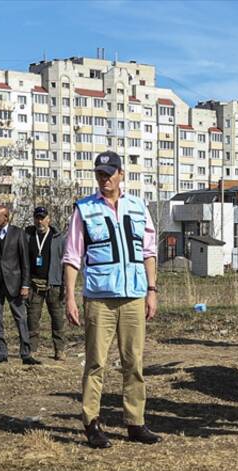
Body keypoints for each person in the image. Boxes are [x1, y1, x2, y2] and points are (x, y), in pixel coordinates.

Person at [63, 150, 161, 448]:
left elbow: (149, 251)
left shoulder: (137, 207)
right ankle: (92, 423)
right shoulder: (84, 209)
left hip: (133, 296)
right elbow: (72, 256)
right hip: (100, 298)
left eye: (109, 173)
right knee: (96, 363)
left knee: (134, 362)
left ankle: (135, 422)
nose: (104, 179)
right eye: (100, 174)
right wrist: (70, 296)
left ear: (121, 175)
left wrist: (152, 290)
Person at [0, 203, 36, 364]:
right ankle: (1, 354)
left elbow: (25, 262)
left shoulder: (18, 234)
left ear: (6, 217)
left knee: (21, 318)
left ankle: (26, 353)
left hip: (15, 284)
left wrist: (25, 285)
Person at [25, 206, 67, 360]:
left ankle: (59, 350)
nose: (39, 221)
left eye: (42, 218)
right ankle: (32, 349)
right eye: (37, 217)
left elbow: (65, 262)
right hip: (34, 285)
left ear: (49, 219)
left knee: (57, 319)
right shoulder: (28, 236)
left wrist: (65, 285)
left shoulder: (58, 238)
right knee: (32, 319)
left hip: (54, 285)